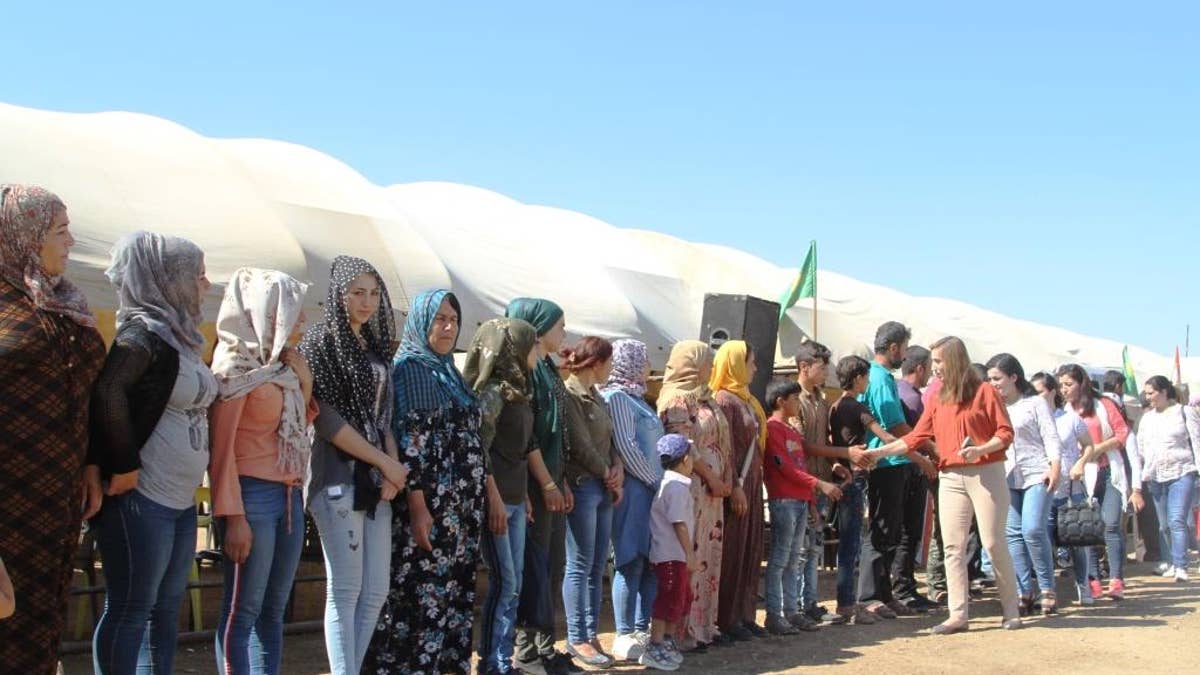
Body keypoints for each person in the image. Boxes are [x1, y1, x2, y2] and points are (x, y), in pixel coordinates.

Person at [91, 231, 215, 674]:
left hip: (178, 503)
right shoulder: (143, 333)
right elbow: (109, 393)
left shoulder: (180, 337)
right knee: (130, 609)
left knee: (164, 611)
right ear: (169, 279)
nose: (205, 283)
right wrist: (123, 465)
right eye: (196, 274)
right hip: (143, 502)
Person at [0, 185, 106, 675]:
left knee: (41, 628)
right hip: (6, 505)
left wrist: (89, 463)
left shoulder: (63, 303)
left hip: (55, 504)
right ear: (25, 235)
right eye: (60, 231)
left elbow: (84, 396)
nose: (71, 242)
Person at [363, 289, 486, 674]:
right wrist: (417, 507)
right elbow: (410, 445)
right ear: (420, 321)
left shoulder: (448, 370)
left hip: (460, 512)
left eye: (453, 319)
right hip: (431, 508)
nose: (448, 327)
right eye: (439, 319)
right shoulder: (411, 370)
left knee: (450, 592)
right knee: (420, 594)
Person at [298, 256, 408, 675]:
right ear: (338, 295)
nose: (366, 302)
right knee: (345, 589)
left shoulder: (375, 348)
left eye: (374, 293)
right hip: (338, 475)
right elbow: (325, 418)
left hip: (378, 479)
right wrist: (384, 462)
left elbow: (384, 417)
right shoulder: (320, 343)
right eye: (357, 292)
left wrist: (393, 467)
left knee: (376, 589)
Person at [870, 336, 1021, 634]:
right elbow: (916, 437)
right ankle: (957, 615)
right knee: (952, 546)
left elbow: (1005, 433)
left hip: (986, 472)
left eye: (939, 361)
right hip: (950, 476)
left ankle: (1011, 610)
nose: (934, 367)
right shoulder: (937, 397)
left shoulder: (985, 392)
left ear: (955, 360)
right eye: (933, 362)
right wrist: (879, 452)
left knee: (992, 541)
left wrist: (980, 449)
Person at [209, 268, 318, 675]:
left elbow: (300, 429)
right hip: (251, 496)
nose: (301, 320)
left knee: (273, 611)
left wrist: (304, 383)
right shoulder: (234, 371)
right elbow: (220, 453)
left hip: (289, 496)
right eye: (293, 309)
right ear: (267, 312)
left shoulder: (284, 369)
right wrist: (233, 517)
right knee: (242, 611)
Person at [504, 298, 577, 675]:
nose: (564, 333)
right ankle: (527, 650)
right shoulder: (524, 370)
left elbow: (555, 431)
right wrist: (547, 483)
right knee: (532, 569)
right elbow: (528, 434)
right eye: (559, 325)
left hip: (551, 480)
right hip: (531, 486)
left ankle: (545, 648)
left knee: (552, 567)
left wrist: (559, 480)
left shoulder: (545, 368)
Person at [465, 318, 540, 675]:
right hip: (495, 499)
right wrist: (493, 498)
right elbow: (480, 449)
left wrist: (523, 494)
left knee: (516, 582)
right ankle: (491, 661)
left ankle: (504, 659)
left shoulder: (520, 390)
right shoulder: (492, 392)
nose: (537, 352)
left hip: (514, 497)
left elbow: (519, 450)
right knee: (505, 581)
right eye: (532, 344)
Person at [857, 323, 937, 619]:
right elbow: (896, 426)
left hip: (896, 461)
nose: (904, 355)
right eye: (904, 348)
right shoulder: (878, 378)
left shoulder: (884, 377)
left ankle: (885, 594)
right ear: (893, 348)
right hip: (886, 463)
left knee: (893, 532)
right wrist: (923, 454)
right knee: (881, 531)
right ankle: (869, 596)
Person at [657, 340, 732, 650]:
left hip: (713, 491)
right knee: (691, 554)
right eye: (706, 360)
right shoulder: (676, 399)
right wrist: (713, 477)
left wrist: (727, 479)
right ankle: (682, 630)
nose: (711, 366)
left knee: (708, 556)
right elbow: (683, 445)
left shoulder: (706, 398)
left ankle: (703, 625)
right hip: (694, 487)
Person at [789, 342, 872, 623]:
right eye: (822, 367)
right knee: (799, 550)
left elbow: (821, 443)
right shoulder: (793, 401)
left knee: (814, 546)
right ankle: (797, 606)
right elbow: (804, 446)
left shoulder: (821, 400)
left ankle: (810, 603)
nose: (826, 373)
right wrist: (844, 454)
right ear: (804, 367)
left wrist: (835, 464)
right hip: (802, 483)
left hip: (821, 482)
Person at [560, 337, 624, 668]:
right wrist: (607, 473)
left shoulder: (597, 396)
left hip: (601, 487)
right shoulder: (569, 394)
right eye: (609, 363)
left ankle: (589, 633)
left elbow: (608, 440)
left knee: (596, 566)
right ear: (596, 363)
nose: (611, 369)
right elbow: (579, 444)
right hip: (584, 485)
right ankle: (577, 636)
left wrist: (616, 468)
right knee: (580, 563)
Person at [763, 380, 843, 635]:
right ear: (780, 401)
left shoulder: (791, 431)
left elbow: (800, 466)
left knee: (793, 559)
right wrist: (819, 485)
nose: (798, 403)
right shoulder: (773, 428)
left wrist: (809, 501)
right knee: (780, 560)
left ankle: (791, 612)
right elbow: (785, 467)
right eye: (794, 399)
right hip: (784, 500)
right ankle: (775, 614)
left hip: (798, 501)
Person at [602, 340, 665, 662]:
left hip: (651, 493)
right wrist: (655, 481)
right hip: (634, 492)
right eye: (643, 360)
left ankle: (643, 627)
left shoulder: (639, 399)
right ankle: (625, 632)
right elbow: (626, 448)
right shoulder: (616, 399)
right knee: (630, 561)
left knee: (650, 562)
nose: (648, 366)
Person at [985, 354, 1062, 615]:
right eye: (990, 379)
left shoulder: (1035, 403)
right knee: (1012, 534)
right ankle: (1023, 590)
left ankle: (1047, 588)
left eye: (997, 378)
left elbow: (1051, 436)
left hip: (1037, 473)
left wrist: (1055, 466)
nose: (993, 384)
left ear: (1014, 377)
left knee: (1032, 529)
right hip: (1007, 476)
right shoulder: (994, 405)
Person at [1057, 364, 1137, 601]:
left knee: (1111, 523)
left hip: (1108, 470)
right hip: (1082, 476)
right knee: (1087, 527)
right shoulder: (1064, 411)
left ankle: (1116, 578)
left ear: (1082, 383)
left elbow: (1122, 433)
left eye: (1068, 384)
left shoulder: (1104, 405)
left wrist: (1097, 448)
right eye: (1061, 385)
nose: (1064, 389)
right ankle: (1092, 578)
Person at [827, 355, 894, 625]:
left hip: (841, 476)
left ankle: (846, 602)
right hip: (855, 479)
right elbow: (886, 435)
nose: (868, 382)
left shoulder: (834, 407)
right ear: (857, 378)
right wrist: (912, 445)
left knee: (847, 542)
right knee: (852, 544)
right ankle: (847, 604)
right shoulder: (857, 407)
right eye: (865, 377)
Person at [711, 340, 769, 640]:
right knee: (734, 551)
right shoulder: (724, 400)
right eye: (750, 362)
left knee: (751, 550)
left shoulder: (747, 400)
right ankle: (727, 617)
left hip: (753, 483)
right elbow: (727, 450)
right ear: (734, 363)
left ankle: (745, 614)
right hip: (738, 485)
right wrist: (735, 486)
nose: (755, 368)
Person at [1031, 371, 1096, 605]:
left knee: (1077, 542)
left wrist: (1080, 462)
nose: (1035, 396)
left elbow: (1089, 446)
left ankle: (1084, 587)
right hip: (1042, 490)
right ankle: (1047, 591)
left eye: (1039, 391)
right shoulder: (1031, 420)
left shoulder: (1069, 419)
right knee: (1042, 543)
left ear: (1052, 392)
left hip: (1071, 490)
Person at [641, 434, 698, 672]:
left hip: (675, 555)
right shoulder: (675, 488)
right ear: (685, 460)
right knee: (668, 599)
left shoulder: (674, 485)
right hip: (671, 555)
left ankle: (665, 641)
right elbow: (678, 522)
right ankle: (655, 646)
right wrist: (689, 553)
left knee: (679, 597)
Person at [1137, 375, 1200, 582]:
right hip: (1155, 476)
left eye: (1151, 393)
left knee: (1177, 520)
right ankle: (1172, 562)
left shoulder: (1185, 412)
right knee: (1163, 525)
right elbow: (1141, 447)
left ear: (1164, 392)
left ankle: (1181, 565)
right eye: (1146, 393)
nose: (1148, 398)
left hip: (1182, 471)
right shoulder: (1147, 418)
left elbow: (1197, 442)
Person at [893, 345, 938, 610]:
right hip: (912, 469)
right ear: (920, 368)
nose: (931, 372)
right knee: (909, 531)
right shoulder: (912, 399)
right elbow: (917, 438)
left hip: (905, 468)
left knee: (906, 532)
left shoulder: (902, 392)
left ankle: (904, 585)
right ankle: (904, 588)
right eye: (930, 367)